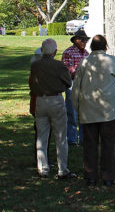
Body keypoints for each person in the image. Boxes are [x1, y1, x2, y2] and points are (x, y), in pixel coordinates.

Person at [72, 35, 115, 187]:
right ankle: (108, 176)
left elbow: (76, 86)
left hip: (88, 108)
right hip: (108, 108)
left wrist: (77, 105)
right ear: (105, 46)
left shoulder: (85, 61)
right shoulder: (110, 60)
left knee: (90, 143)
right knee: (108, 143)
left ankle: (91, 176)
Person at [29, 38, 76, 179]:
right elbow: (68, 82)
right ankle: (62, 169)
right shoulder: (59, 66)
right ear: (55, 51)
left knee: (42, 136)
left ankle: (42, 168)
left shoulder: (35, 65)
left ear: (42, 50)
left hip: (40, 100)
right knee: (60, 136)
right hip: (55, 99)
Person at [62, 30, 90, 146]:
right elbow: (67, 70)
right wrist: (81, 70)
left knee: (84, 113)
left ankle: (83, 139)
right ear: (75, 40)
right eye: (82, 39)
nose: (84, 42)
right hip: (72, 84)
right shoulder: (68, 52)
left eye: (86, 40)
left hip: (85, 84)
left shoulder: (87, 53)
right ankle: (72, 139)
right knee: (71, 113)